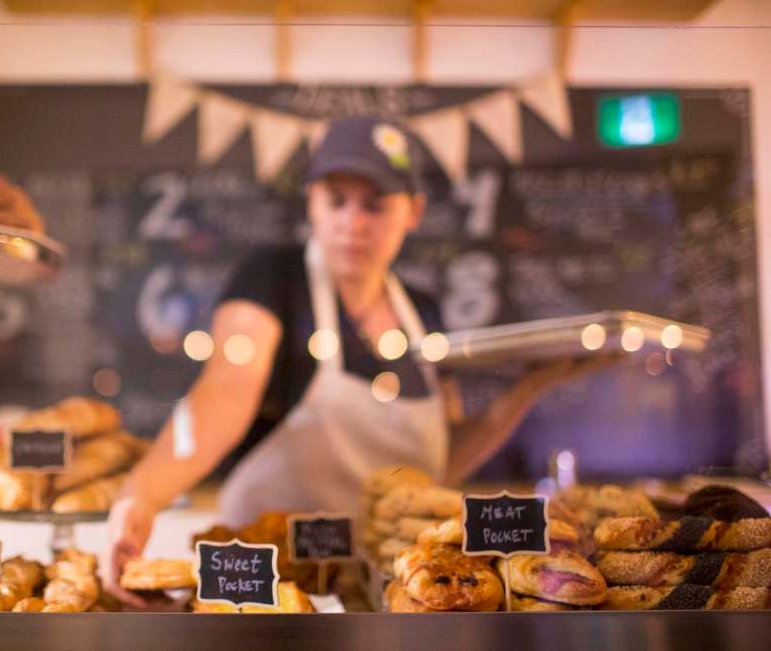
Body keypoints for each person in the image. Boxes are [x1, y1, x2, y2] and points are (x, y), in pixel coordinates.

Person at [101, 115, 610, 603]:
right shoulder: (273, 276)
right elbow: (226, 391)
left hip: (392, 582)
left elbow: (438, 464)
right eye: (336, 200)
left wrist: (531, 386)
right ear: (311, 203)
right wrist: (141, 496)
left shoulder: (423, 311)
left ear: (412, 210)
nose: (352, 222)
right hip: (266, 585)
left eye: (374, 205)